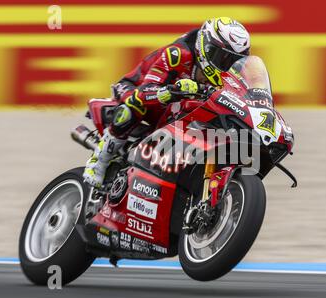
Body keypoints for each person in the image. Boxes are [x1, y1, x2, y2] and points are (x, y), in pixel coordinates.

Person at [83, 17, 251, 187]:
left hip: (172, 110)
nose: (226, 65)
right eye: (222, 58)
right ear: (206, 47)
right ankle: (99, 160)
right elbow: (144, 92)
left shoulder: (226, 76)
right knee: (134, 103)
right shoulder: (178, 54)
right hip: (134, 88)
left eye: (232, 61)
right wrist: (173, 90)